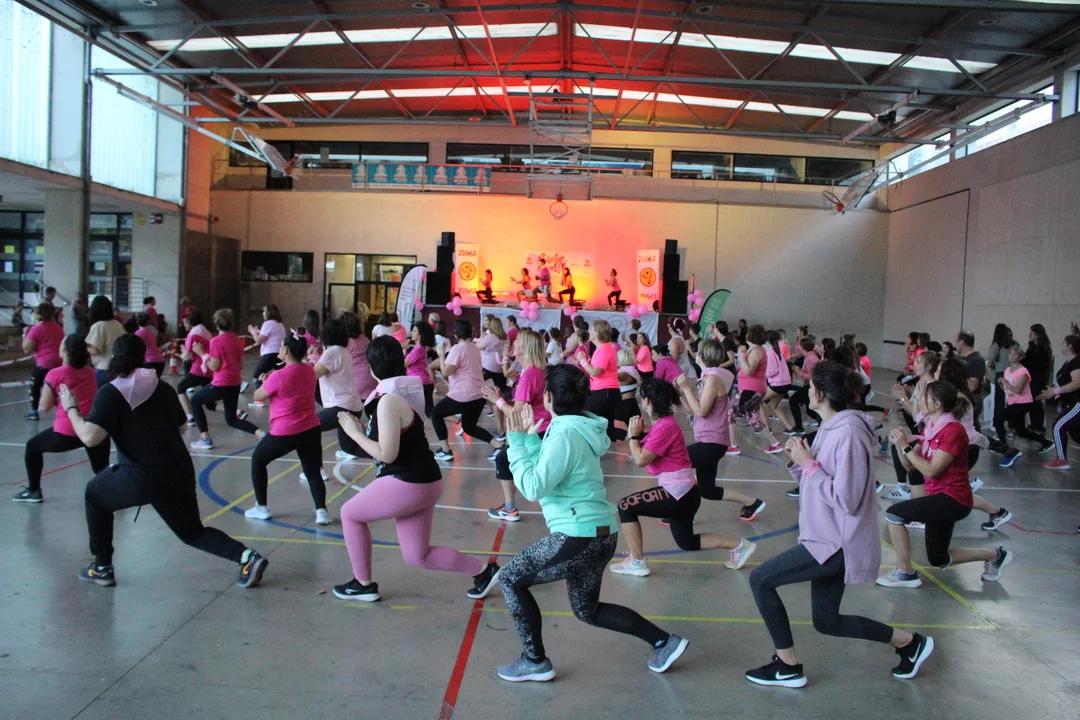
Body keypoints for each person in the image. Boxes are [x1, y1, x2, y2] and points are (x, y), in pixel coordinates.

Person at [745, 361, 933, 688]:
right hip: (826, 536)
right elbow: (818, 480)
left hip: (837, 543)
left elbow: (847, 498)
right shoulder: (831, 427)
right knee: (827, 621)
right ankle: (909, 643)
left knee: (761, 580)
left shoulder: (848, 432)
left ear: (820, 393)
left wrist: (809, 464)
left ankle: (787, 666)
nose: (807, 391)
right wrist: (799, 460)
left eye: (810, 386)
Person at [495, 365, 689, 682]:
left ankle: (534, 660)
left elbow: (532, 488)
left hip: (577, 536)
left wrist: (515, 442)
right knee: (588, 610)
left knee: (510, 579)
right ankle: (663, 642)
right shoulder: (577, 428)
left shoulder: (565, 434)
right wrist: (530, 442)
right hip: (600, 533)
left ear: (548, 396)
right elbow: (550, 470)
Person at [60, 334, 268, 589]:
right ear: (142, 358)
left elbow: (90, 438)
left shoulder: (111, 392)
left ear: (114, 358)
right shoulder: (162, 388)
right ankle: (247, 558)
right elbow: (182, 427)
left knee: (94, 495)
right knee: (192, 532)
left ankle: (102, 567)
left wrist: (71, 408)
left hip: (141, 476)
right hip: (179, 471)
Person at [331, 336, 500, 602]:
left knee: (349, 514)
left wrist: (354, 433)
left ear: (372, 368)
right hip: (426, 480)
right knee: (418, 556)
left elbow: (387, 454)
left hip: (407, 481)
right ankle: (484, 572)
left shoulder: (388, 400)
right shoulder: (401, 392)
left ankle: (363, 583)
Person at [610, 379, 757, 577]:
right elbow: (647, 446)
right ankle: (739, 546)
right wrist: (637, 435)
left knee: (625, 506)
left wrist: (633, 437)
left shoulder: (664, 427)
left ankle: (636, 562)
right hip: (686, 493)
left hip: (677, 493)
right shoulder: (663, 425)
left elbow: (640, 459)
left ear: (647, 401)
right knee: (687, 542)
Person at [879, 381, 1013, 589]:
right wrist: (900, 445)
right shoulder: (931, 428)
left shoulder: (953, 431)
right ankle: (996, 556)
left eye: (924, 398)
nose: (919, 401)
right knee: (938, 558)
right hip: (938, 498)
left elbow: (932, 470)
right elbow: (911, 466)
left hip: (953, 499)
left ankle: (905, 572)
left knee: (894, 514)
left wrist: (906, 447)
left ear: (937, 404)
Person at [674, 339, 766, 519]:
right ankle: (751, 502)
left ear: (701, 355)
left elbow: (701, 411)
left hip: (711, 442)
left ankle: (679, 513)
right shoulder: (708, 377)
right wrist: (681, 393)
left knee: (675, 463)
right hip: (710, 441)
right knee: (707, 490)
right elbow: (692, 410)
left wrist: (686, 388)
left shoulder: (713, 379)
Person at [243, 334, 330, 524]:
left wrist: (266, 382)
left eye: (282, 345)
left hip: (285, 431)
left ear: (286, 351)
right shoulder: (309, 370)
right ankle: (322, 511)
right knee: (313, 470)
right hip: (310, 428)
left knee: (258, 460)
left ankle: (262, 507)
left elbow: (258, 395)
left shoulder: (279, 375)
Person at [13, 335, 110, 503]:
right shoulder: (91, 372)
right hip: (93, 428)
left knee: (32, 447)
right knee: (101, 469)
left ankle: (34, 491)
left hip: (68, 432)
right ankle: (112, 492)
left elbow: (44, 407)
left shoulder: (55, 374)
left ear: (65, 352)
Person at [486, 330, 549, 521]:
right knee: (507, 460)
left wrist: (497, 401)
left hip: (536, 431)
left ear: (526, 347)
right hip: (540, 429)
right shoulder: (533, 372)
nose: (514, 342)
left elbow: (516, 414)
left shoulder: (530, 374)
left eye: (518, 340)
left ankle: (510, 508)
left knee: (503, 459)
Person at [189, 309, 263, 449]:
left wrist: (202, 354)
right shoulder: (236, 339)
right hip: (235, 383)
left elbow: (214, 367)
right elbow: (240, 365)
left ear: (216, 324)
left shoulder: (216, 341)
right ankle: (261, 434)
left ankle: (205, 439)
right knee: (231, 419)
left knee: (194, 401)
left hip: (221, 384)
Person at [431, 320, 503, 461]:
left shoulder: (458, 348)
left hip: (464, 394)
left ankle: (445, 450)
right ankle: (499, 446)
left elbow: (446, 372)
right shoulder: (474, 347)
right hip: (479, 394)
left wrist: (441, 355)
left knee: (436, 413)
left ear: (456, 334)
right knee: (469, 427)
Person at [312, 318, 368, 461]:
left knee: (310, 427)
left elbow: (312, 375)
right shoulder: (342, 351)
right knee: (350, 448)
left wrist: (305, 361)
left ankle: (316, 469)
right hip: (351, 405)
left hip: (341, 407)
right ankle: (390, 457)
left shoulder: (332, 352)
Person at [991, 344, 1054, 466]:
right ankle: (1046, 442)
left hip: (1022, 403)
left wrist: (1004, 382)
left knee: (998, 418)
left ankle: (1005, 447)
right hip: (1012, 402)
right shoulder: (1007, 370)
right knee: (1021, 431)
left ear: (1020, 357)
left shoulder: (1023, 372)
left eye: (1014, 354)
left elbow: (1018, 390)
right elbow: (1007, 389)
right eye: (1010, 354)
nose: (1011, 356)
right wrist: (1001, 383)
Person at [729, 324, 784, 457]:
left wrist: (742, 354)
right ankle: (775, 444)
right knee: (753, 420)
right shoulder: (753, 350)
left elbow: (749, 370)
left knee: (729, 413)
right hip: (752, 389)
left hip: (750, 389)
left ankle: (733, 446)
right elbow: (742, 367)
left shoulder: (757, 351)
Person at [1035, 334, 1080, 470]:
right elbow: (1064, 383)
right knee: (1076, 433)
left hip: (1077, 403)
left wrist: (1056, 391)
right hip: (1068, 402)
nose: (1061, 345)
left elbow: (1077, 383)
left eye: (1063, 343)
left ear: (1070, 346)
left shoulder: (1076, 362)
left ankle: (1061, 460)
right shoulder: (1068, 363)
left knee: (1058, 426)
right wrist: (1051, 392)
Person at [579, 320, 622, 441]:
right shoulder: (604, 348)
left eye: (591, 330)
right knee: (607, 425)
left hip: (604, 391)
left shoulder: (604, 349)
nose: (589, 332)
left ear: (597, 333)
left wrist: (582, 361)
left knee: (585, 414)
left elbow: (595, 372)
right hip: (608, 391)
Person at [23, 302, 64, 421]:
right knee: (58, 387)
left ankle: (34, 411)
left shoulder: (36, 329)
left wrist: (25, 335)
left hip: (44, 364)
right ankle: (64, 409)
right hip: (59, 363)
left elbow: (27, 349)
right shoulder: (58, 328)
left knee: (34, 385)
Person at [176, 311, 214, 425]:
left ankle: (189, 416)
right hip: (209, 368)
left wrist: (182, 353)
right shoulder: (206, 332)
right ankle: (237, 412)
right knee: (209, 404)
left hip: (199, 369)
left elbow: (187, 356)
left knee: (180, 388)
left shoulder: (193, 334)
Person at [247, 304, 286, 401]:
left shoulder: (268, 324)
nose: (263, 314)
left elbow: (259, 340)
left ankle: (260, 398)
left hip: (270, 354)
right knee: (279, 377)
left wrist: (252, 332)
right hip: (280, 355)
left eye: (264, 312)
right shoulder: (280, 324)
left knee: (256, 375)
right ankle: (280, 396)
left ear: (268, 313)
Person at [1024, 323, 1054, 433]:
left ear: (1037, 335)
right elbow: (1027, 359)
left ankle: (1039, 426)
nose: (1029, 335)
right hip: (1031, 378)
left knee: (1036, 401)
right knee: (1032, 401)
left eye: (1032, 333)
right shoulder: (1032, 347)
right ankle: (1034, 424)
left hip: (1039, 379)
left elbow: (1040, 366)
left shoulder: (1044, 348)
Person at [405, 321, 437, 416]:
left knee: (418, 411)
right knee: (429, 412)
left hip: (419, 383)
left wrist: (403, 349)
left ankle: (454, 419)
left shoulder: (418, 349)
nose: (412, 333)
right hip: (423, 382)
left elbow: (404, 363)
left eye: (415, 331)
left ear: (420, 336)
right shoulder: (420, 348)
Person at [134, 311, 166, 377]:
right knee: (156, 382)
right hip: (160, 360)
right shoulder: (151, 332)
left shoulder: (137, 334)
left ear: (136, 321)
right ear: (147, 321)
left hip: (149, 362)